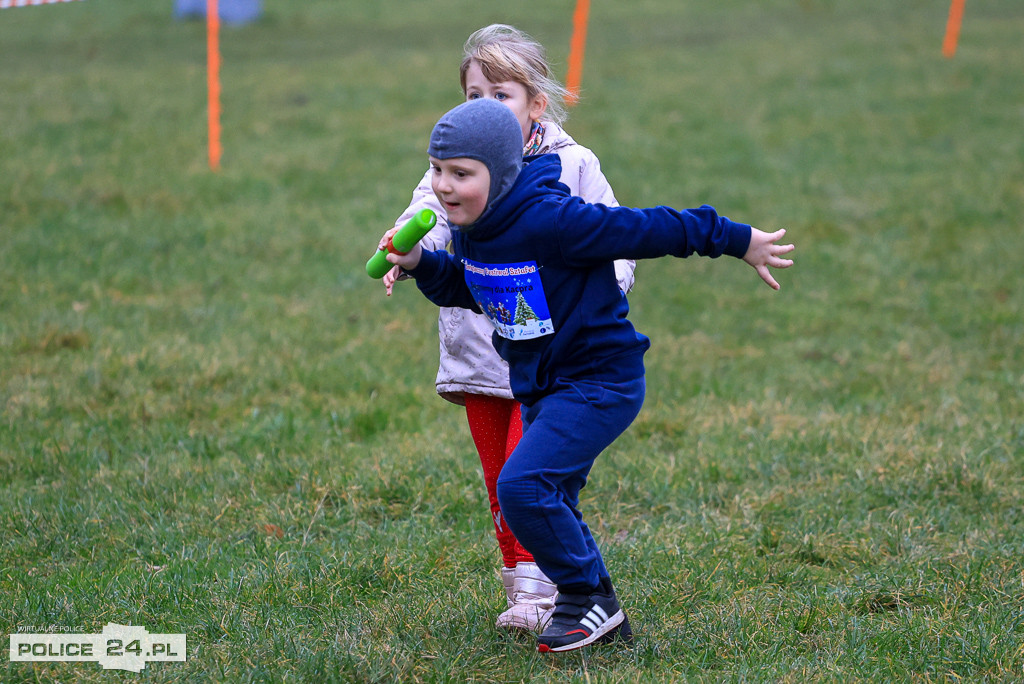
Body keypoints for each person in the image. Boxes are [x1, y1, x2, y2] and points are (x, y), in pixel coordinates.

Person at [377, 98, 794, 653]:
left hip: (599, 380)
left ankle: (583, 597)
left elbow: (651, 229)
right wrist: (424, 265)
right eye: (436, 169)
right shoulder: (474, 225)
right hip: (543, 387)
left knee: (523, 487)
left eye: (460, 173)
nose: (444, 186)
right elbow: (470, 290)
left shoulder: (555, 221)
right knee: (551, 500)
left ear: (500, 175)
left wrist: (736, 239)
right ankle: (604, 616)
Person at [383, 24, 635, 633]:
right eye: (474, 96)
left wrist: (601, 294)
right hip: (477, 347)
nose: (486, 109)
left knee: (531, 471)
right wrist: (403, 243)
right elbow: (427, 211)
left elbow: (617, 239)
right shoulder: (452, 168)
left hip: (550, 359)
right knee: (499, 476)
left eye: (501, 97)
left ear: (536, 103)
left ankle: (559, 587)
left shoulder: (571, 164)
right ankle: (522, 588)